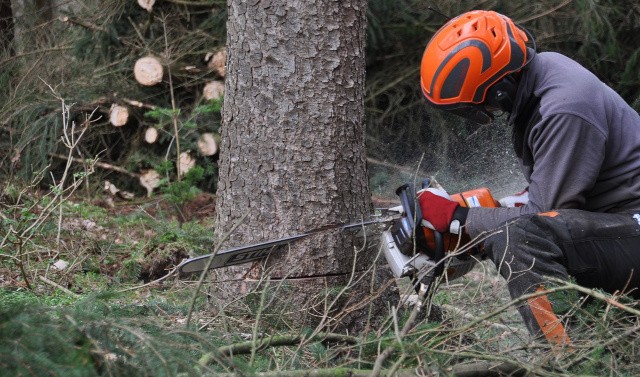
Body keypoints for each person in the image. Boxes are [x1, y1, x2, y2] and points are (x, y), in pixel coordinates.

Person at [417, 9, 640, 346]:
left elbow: (542, 217)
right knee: (515, 228)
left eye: (475, 107)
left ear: (500, 90)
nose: (481, 114)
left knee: (519, 239)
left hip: (631, 225)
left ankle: (571, 361)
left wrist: (459, 218)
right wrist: (485, 210)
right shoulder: (542, 76)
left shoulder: (564, 107)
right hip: (619, 223)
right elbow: (551, 193)